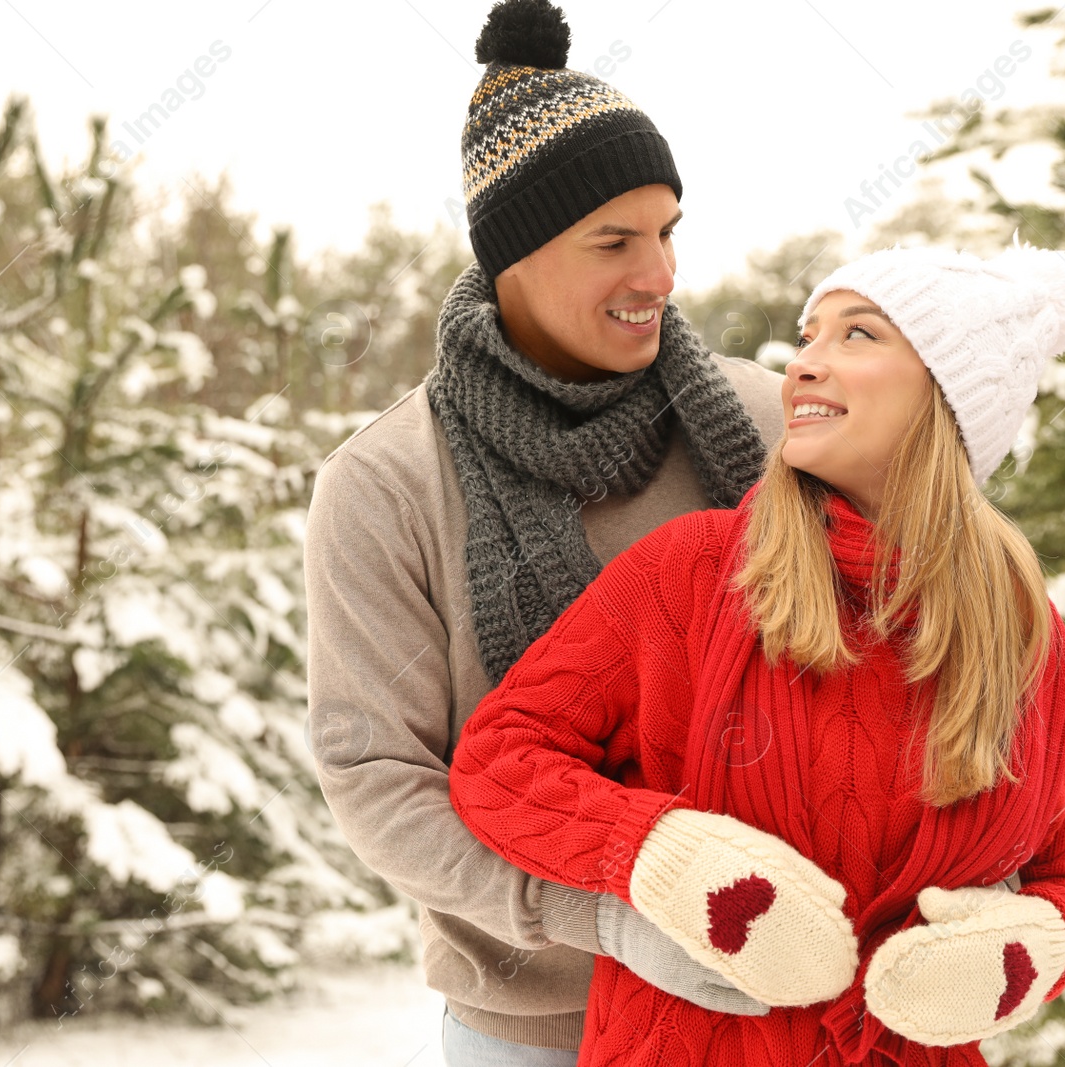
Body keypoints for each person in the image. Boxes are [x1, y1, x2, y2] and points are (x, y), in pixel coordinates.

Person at [448, 238, 1065, 1066]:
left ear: (952, 397)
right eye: (808, 338)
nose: (805, 366)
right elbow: (499, 758)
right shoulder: (691, 574)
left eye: (857, 335)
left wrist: (1019, 953)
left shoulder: (1041, 657)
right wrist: (667, 856)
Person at [303, 0, 790, 1062]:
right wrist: (606, 914)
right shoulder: (385, 484)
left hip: (782, 1006)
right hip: (539, 1032)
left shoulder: (765, 425)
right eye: (612, 240)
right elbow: (380, 778)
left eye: (666, 233)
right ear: (512, 254)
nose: (657, 275)